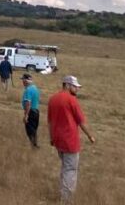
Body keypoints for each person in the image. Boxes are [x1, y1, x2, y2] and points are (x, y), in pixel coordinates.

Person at [47, 75, 96, 204]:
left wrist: (51, 138)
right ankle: (66, 200)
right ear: (67, 85)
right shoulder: (71, 100)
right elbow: (81, 122)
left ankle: (63, 194)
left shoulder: (52, 99)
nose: (77, 89)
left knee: (65, 167)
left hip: (58, 140)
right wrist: (90, 136)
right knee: (70, 170)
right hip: (70, 141)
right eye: (75, 86)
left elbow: (50, 121)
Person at [22, 73, 41, 148]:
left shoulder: (28, 90)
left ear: (26, 80)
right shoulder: (35, 88)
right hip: (36, 111)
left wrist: (26, 115)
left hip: (31, 112)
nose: (23, 82)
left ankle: (33, 146)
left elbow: (28, 103)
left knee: (30, 131)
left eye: (23, 80)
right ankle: (35, 145)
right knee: (34, 130)